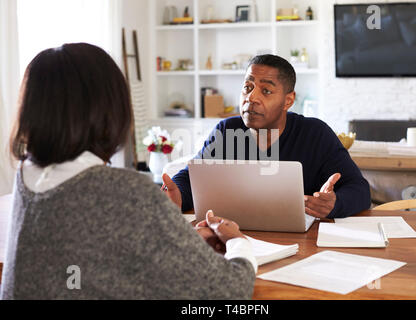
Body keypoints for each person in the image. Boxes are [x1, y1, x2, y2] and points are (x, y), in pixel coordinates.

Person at [1, 43, 257, 300]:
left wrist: (177, 242)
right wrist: (237, 241)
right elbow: (229, 291)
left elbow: (85, 258)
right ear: (111, 108)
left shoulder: (27, 176)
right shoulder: (125, 190)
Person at [162, 54, 371, 219]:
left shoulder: (315, 134)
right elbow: (191, 177)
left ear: (288, 101)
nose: (251, 98)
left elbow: (359, 190)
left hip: (301, 245)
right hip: (236, 239)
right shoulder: (226, 131)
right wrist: (177, 194)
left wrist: (334, 204)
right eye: (247, 87)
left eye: (266, 91)